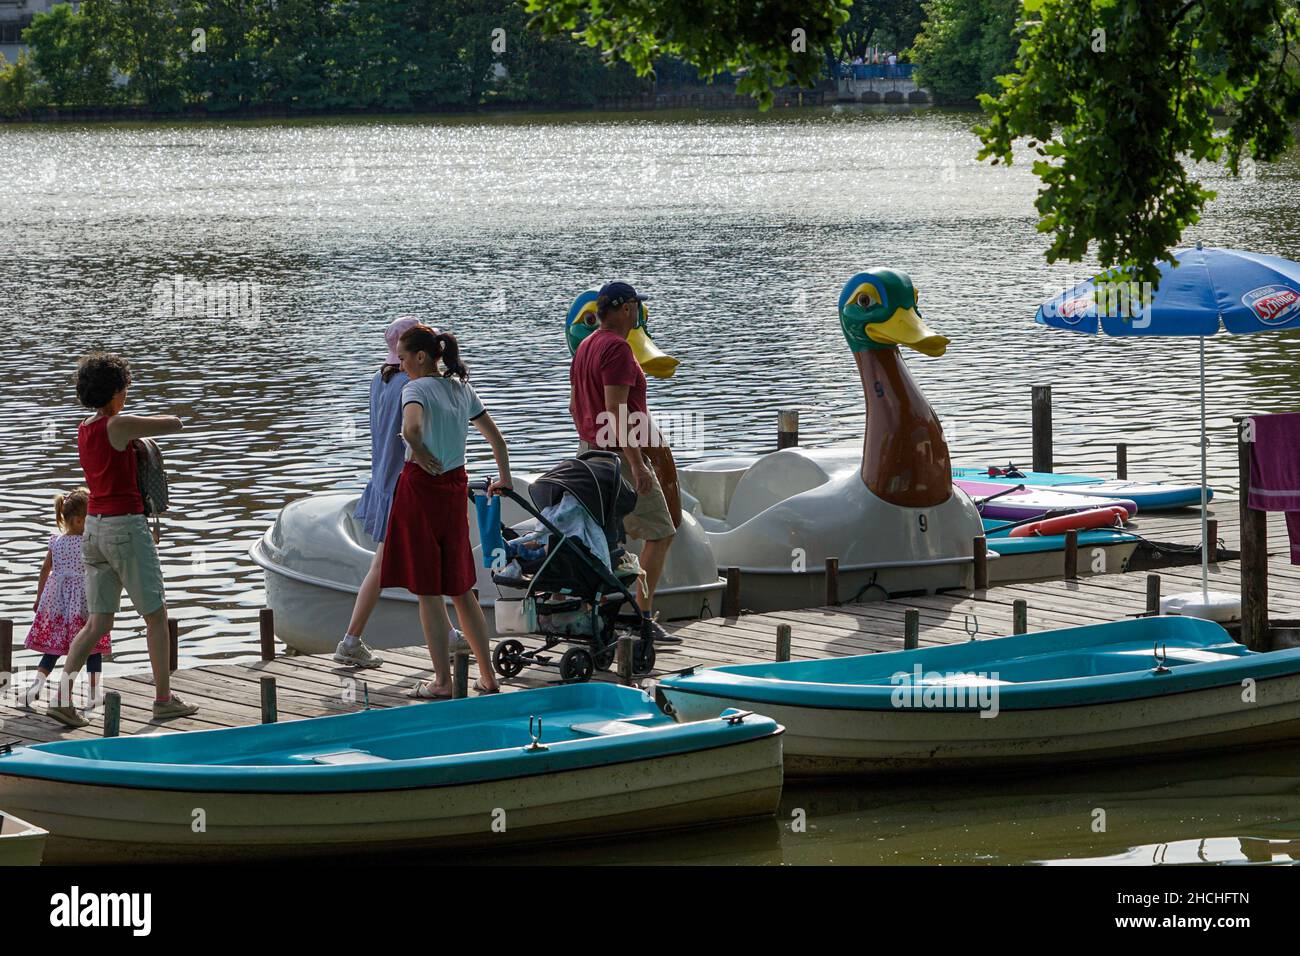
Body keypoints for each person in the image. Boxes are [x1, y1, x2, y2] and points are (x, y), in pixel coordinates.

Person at [47, 353, 198, 729]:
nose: (127, 393)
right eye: (126, 387)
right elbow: (174, 423)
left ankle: (63, 697)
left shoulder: (85, 427)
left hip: (95, 530)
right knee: (156, 615)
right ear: (116, 391)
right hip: (125, 528)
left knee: (98, 622)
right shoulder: (120, 425)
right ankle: (163, 700)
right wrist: (152, 423)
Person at [379, 325, 511, 699]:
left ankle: (441, 681)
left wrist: (419, 452)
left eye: (403, 358)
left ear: (421, 357)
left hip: (421, 489)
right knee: (461, 587)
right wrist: (504, 479)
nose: (401, 366)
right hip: (454, 489)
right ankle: (487, 676)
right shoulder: (462, 389)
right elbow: (497, 440)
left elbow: (412, 429)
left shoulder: (416, 389)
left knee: (428, 591)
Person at [335, 317, 469, 668]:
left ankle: (450, 634)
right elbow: (415, 432)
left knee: (417, 565)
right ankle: (350, 640)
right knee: (385, 566)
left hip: (381, 478)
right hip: (405, 483)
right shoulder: (411, 386)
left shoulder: (379, 379)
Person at [569, 281, 680, 645]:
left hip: (589, 452)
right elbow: (617, 410)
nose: (638, 313)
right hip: (618, 457)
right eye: (636, 307)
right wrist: (637, 464)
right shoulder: (616, 348)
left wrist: (589, 441)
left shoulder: (585, 345)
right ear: (627, 309)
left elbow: (574, 406)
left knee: (610, 539)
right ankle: (641, 617)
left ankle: (607, 614)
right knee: (661, 532)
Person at [25, 487, 111, 706]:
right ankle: (93, 695)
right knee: (92, 648)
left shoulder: (56, 542)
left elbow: (45, 569)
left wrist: (39, 598)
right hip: (84, 605)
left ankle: (36, 686)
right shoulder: (88, 543)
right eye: (91, 518)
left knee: (53, 649)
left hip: (57, 605)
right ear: (78, 521)